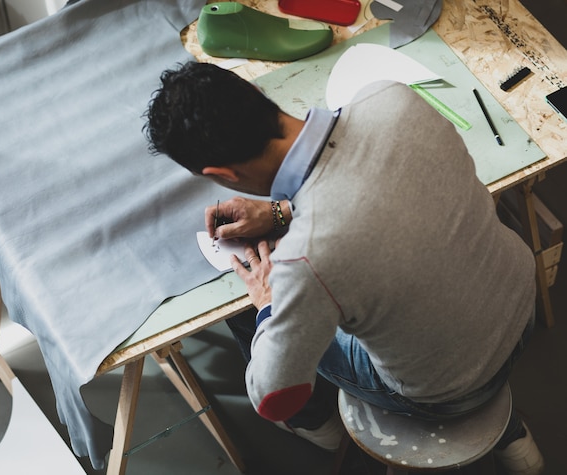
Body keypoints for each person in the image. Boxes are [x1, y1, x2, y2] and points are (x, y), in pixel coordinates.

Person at [143, 61, 544, 474]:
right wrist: (282, 213)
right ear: (258, 95)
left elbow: (273, 396)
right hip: (520, 303)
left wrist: (267, 301)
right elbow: (378, 195)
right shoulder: (389, 96)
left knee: (248, 313)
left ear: (222, 175)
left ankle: (318, 427)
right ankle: (507, 429)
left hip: (448, 389)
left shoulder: (303, 259)